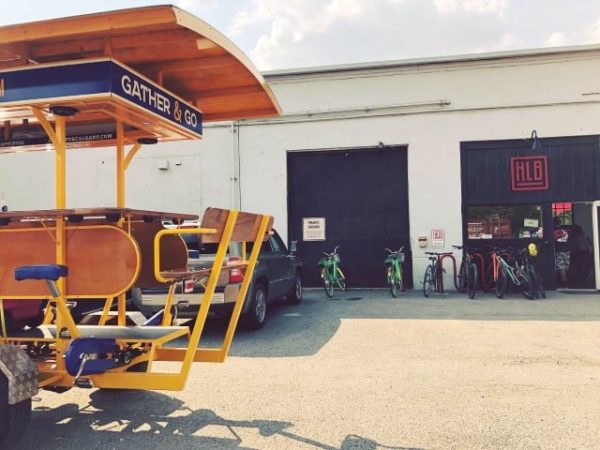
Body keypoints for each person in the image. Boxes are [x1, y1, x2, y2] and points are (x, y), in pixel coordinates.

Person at [553, 217, 570, 286]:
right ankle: (568, 280)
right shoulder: (565, 230)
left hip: (559, 250)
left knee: (561, 267)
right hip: (567, 250)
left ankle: (563, 283)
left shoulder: (553, 231)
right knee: (566, 266)